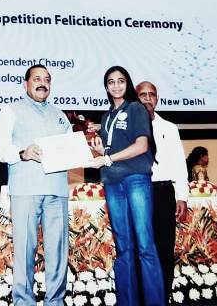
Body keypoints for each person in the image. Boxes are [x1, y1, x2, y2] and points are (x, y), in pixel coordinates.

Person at [0, 64, 72, 306]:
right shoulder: (11, 111)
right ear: (25, 83)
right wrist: (22, 153)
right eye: (37, 79)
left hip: (57, 190)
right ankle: (23, 302)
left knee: (58, 252)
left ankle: (55, 301)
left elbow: (71, 151)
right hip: (25, 190)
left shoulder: (61, 115)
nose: (42, 83)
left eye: (46, 79)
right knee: (25, 251)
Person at [88, 66, 165, 306]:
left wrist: (108, 158)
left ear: (127, 83)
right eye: (111, 82)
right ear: (106, 87)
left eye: (121, 81)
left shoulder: (136, 108)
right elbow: (111, 153)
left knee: (145, 245)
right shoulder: (106, 117)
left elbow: (142, 146)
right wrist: (101, 152)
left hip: (135, 180)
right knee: (123, 248)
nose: (116, 85)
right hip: (112, 182)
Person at [136, 81, 188, 305]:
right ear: (136, 98)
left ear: (157, 98)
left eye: (152, 94)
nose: (148, 98)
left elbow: (179, 165)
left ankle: (163, 297)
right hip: (137, 192)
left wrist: (182, 196)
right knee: (141, 248)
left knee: (165, 248)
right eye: (143, 94)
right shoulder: (129, 126)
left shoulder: (170, 128)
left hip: (163, 193)